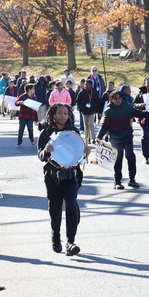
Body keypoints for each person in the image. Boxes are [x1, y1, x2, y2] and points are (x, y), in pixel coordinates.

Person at [38, 103, 90, 255]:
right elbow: (41, 156)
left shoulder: (73, 131)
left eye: (65, 113)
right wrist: (47, 151)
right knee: (55, 208)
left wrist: (85, 152)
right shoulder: (46, 132)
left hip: (71, 176)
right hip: (53, 177)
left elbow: (79, 156)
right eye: (59, 113)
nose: (62, 115)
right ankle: (56, 237)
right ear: (53, 115)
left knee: (71, 205)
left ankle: (71, 242)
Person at [97, 90, 149, 189]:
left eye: (120, 98)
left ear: (122, 98)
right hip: (115, 139)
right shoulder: (109, 111)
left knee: (131, 157)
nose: (118, 101)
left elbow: (138, 113)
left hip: (127, 137)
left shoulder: (127, 107)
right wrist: (99, 136)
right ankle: (117, 182)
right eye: (115, 99)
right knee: (118, 160)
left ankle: (132, 180)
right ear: (111, 100)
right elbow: (104, 126)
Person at [133, 78, 149, 165]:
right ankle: (145, 156)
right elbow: (134, 104)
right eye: (148, 83)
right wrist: (140, 105)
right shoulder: (141, 94)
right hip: (144, 117)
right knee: (146, 135)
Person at [75, 79, 101, 146]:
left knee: (91, 124)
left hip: (92, 111)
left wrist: (95, 108)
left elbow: (97, 101)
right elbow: (78, 101)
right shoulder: (81, 92)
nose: (86, 86)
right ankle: (87, 138)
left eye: (87, 84)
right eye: (85, 84)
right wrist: (80, 108)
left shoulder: (94, 92)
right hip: (84, 111)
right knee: (86, 125)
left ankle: (93, 138)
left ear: (91, 85)